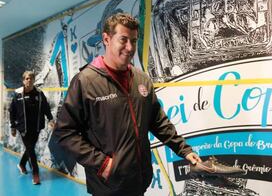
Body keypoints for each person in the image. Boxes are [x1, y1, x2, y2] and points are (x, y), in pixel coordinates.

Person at [53, 13, 202, 196]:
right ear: (106, 39)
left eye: (133, 40)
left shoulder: (141, 79)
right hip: (107, 186)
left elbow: (157, 121)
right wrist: (103, 164)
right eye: (123, 40)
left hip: (139, 180)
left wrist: (184, 150)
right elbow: (65, 132)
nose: (130, 47)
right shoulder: (85, 82)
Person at [9, 70, 54, 185]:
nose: (29, 80)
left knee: (30, 148)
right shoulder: (17, 94)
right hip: (23, 127)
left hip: (36, 127)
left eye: (31, 78)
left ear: (34, 80)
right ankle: (36, 173)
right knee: (31, 150)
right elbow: (12, 111)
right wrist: (13, 127)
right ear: (23, 80)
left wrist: (50, 119)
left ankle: (22, 164)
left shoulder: (39, 93)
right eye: (27, 78)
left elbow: (46, 107)